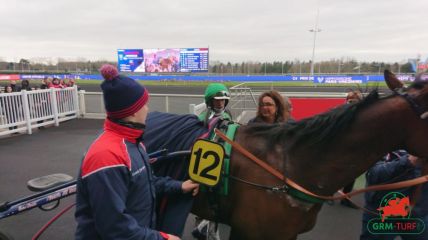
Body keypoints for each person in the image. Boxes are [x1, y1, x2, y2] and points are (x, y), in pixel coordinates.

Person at [75, 64, 199, 240]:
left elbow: (144, 184)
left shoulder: (134, 143)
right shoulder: (107, 157)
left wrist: (179, 186)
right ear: (132, 113)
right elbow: (114, 229)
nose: (147, 109)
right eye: (144, 105)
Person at [360, 151, 428, 240]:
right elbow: (373, 175)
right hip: (382, 215)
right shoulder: (386, 142)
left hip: (419, 217)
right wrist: (408, 161)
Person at [340, 90, 363, 208]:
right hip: (341, 149)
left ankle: (345, 197)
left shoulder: (361, 114)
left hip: (353, 150)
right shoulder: (340, 112)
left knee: (351, 174)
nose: (352, 103)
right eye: (350, 101)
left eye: (355, 101)